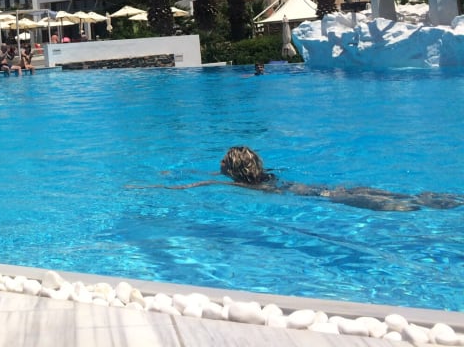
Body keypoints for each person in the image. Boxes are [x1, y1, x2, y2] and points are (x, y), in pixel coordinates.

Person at [133, 146, 463, 212]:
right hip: (302, 187)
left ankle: (411, 205)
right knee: (350, 190)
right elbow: (201, 175)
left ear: (232, 169)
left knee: (350, 198)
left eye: (222, 161)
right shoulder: (257, 175)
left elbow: (196, 185)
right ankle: (422, 197)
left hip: (308, 195)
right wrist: (175, 172)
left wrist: (153, 186)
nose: (217, 164)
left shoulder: (233, 184)